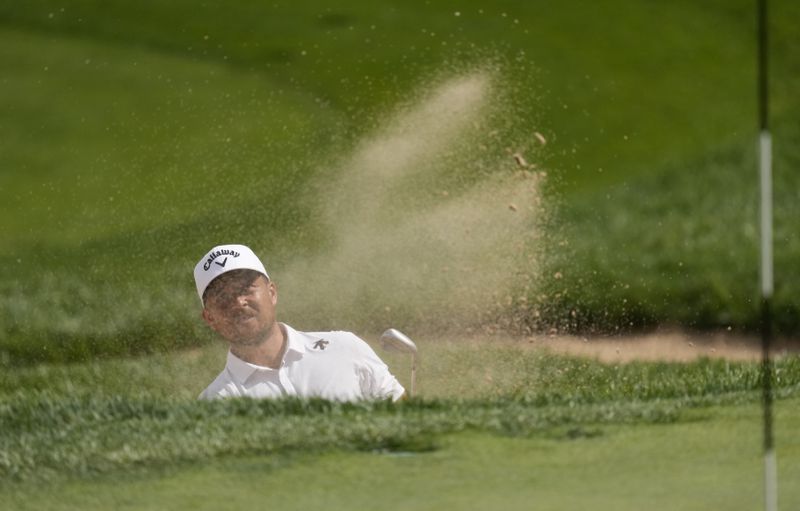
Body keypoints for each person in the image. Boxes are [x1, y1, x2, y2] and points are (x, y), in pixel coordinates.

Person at [193, 243, 405, 401]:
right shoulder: (215, 403)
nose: (238, 302)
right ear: (209, 318)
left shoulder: (344, 348)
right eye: (223, 297)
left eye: (245, 289)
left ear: (272, 293)